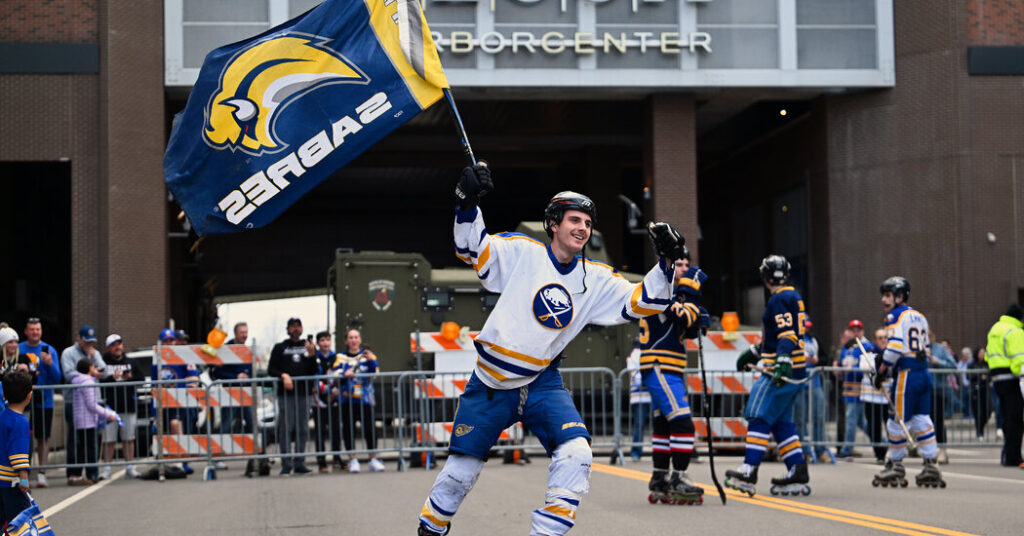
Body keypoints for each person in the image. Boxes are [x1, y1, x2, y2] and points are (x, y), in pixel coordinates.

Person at [417, 165, 681, 536]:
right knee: (459, 475)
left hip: (544, 384)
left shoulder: (597, 277)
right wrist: (467, 202)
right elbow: (471, 249)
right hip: (490, 386)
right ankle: (431, 528)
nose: (582, 229)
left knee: (577, 454)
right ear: (553, 224)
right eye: (574, 220)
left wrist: (667, 261)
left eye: (588, 223)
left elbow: (645, 301)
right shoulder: (522, 252)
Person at [726, 255, 810, 497]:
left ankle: (749, 469)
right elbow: (781, 334)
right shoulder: (793, 295)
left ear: (764, 276)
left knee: (757, 413)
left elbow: (786, 334)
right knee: (782, 422)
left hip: (780, 370)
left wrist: (782, 360)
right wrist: (755, 352)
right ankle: (797, 470)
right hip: (796, 367)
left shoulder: (779, 298)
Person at [637, 252, 709, 505]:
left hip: (669, 366)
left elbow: (687, 325)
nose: (685, 269)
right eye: (679, 265)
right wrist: (692, 292)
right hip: (660, 364)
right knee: (683, 424)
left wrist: (700, 320)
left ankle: (659, 478)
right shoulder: (662, 288)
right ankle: (679, 477)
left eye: (687, 265)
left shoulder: (671, 293)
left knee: (664, 425)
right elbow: (687, 315)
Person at [872, 276, 944, 488]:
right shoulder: (920, 317)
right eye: (883, 296)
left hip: (907, 375)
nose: (884, 300)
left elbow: (894, 348)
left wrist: (882, 369)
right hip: (923, 373)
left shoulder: (895, 315)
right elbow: (927, 349)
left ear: (900, 296)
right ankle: (931, 464)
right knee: (923, 419)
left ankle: (895, 465)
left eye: (888, 295)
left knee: (895, 420)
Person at [267, 317, 318, 476]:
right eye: (293, 327)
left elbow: (313, 370)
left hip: (304, 394)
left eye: (298, 326)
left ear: (302, 329)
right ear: (288, 329)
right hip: (286, 395)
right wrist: (283, 375)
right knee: (286, 429)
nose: (296, 329)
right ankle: (286, 464)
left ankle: (300, 462)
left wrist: (311, 355)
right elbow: (271, 369)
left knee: (303, 428)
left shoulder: (308, 346)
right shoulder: (280, 347)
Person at [60, 325, 108, 485]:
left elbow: (105, 372)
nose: (89, 345)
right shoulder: (68, 353)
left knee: (92, 439)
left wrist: (94, 359)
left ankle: (92, 472)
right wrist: (89, 373)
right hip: (74, 402)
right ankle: (74, 474)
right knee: (76, 439)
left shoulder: (95, 353)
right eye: (86, 341)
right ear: (79, 338)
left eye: (91, 342)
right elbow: (68, 374)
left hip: (93, 400)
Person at [17, 318, 62, 487]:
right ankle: (24, 472)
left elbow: (57, 378)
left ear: (41, 331)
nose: (35, 332)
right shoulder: (19, 348)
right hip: (23, 401)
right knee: (23, 437)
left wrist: (50, 364)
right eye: (32, 329)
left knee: (43, 437)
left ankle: (42, 472)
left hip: (45, 401)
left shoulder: (50, 350)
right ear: (26, 332)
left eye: (38, 329)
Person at [211, 322, 256, 475]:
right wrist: (235, 377)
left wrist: (248, 376)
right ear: (235, 334)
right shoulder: (225, 350)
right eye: (242, 332)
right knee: (225, 424)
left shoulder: (247, 350)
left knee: (252, 423)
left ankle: (258, 455)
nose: (245, 335)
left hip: (245, 394)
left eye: (246, 332)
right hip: (230, 394)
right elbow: (216, 372)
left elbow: (250, 369)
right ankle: (216, 456)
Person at [337, 328, 384, 473]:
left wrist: (371, 362)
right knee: (349, 430)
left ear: (360, 340)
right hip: (347, 400)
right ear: (346, 341)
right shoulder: (341, 357)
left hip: (366, 400)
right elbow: (336, 375)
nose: (353, 340)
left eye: (356, 337)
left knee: (370, 429)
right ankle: (353, 460)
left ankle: (373, 459)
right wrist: (345, 375)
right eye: (350, 337)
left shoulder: (369, 356)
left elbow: (375, 374)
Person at [984, 303, 1024, 467]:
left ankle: (1007, 455)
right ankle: (1013, 457)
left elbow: (987, 355)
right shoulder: (1015, 331)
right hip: (1012, 378)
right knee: (1015, 419)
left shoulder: (995, 329)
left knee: (1007, 418)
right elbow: (1019, 357)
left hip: (997, 378)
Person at [99, 334, 144, 480]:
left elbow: (141, 379)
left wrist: (129, 378)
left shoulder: (130, 361)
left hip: (128, 404)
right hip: (110, 406)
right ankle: (106, 468)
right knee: (109, 439)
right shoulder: (103, 361)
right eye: (113, 344)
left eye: (119, 344)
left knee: (128, 438)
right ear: (108, 347)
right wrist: (113, 378)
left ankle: (129, 467)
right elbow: (98, 380)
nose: (117, 347)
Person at [70, 358, 117, 485]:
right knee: (88, 449)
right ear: (90, 368)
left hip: (81, 419)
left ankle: (77, 475)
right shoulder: (87, 382)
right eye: (93, 366)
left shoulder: (78, 380)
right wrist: (108, 414)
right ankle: (85, 475)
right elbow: (91, 404)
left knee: (82, 448)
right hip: (87, 420)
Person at [0, 370, 34, 527]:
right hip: (12, 482)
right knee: (20, 523)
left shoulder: (2, 416)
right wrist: (24, 478)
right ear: (29, 395)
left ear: (4, 396)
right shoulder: (20, 422)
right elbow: (18, 454)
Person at [794, 319, 829, 463]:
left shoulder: (815, 340)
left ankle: (820, 450)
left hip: (815, 383)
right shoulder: (794, 340)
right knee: (800, 419)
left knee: (818, 417)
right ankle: (803, 450)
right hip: (799, 383)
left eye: (808, 327)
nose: (807, 330)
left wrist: (817, 360)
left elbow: (825, 358)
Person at [837, 319, 871, 460]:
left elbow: (868, 366)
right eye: (853, 330)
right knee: (861, 422)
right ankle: (883, 441)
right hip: (847, 388)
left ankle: (846, 449)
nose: (855, 332)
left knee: (851, 418)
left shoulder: (866, 346)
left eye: (858, 330)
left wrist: (852, 370)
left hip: (859, 388)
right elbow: (841, 362)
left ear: (862, 331)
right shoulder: (847, 347)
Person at [312, 331, 343, 473]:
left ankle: (337, 458)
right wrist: (327, 391)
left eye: (327, 340)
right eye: (322, 340)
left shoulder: (336, 357)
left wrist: (335, 391)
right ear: (318, 343)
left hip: (335, 399)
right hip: (319, 400)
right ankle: (321, 461)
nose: (325, 343)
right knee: (320, 431)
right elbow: (314, 378)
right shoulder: (314, 358)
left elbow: (339, 376)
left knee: (336, 430)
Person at [859, 328, 892, 464]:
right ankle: (879, 454)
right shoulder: (868, 355)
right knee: (874, 428)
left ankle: (893, 452)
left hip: (887, 397)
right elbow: (865, 368)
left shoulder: (891, 355)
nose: (883, 340)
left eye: (885, 337)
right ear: (875, 340)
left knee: (891, 426)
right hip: (871, 397)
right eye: (880, 338)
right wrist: (877, 369)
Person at [928, 333, 956, 464]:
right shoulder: (916, 349)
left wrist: (937, 361)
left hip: (938, 390)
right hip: (922, 390)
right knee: (924, 422)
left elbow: (953, 365)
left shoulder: (940, 349)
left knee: (938, 421)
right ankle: (927, 451)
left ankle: (942, 450)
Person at [625, 346, 650, 462]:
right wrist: (651, 379)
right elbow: (636, 376)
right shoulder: (635, 353)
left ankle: (662, 452)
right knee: (639, 425)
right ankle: (636, 452)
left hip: (651, 393)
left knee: (661, 424)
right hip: (640, 396)